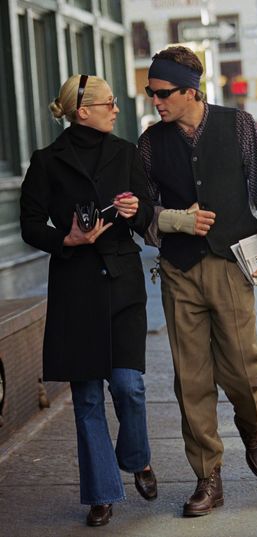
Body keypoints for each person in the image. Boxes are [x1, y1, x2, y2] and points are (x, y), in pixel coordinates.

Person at [138, 46, 257, 517]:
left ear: (190, 91)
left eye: (162, 93)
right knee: (192, 380)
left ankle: (251, 428)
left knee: (243, 371)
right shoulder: (149, 142)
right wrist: (171, 220)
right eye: (150, 93)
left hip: (230, 262)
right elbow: (143, 211)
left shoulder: (238, 125)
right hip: (179, 270)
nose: (155, 101)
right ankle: (208, 476)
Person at [20, 74, 157, 527]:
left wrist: (136, 210)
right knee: (86, 399)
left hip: (121, 280)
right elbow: (30, 223)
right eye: (109, 103)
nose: (116, 109)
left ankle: (136, 457)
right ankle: (101, 493)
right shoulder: (46, 161)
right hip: (75, 288)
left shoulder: (125, 152)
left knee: (128, 386)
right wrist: (69, 237)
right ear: (84, 111)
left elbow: (144, 212)